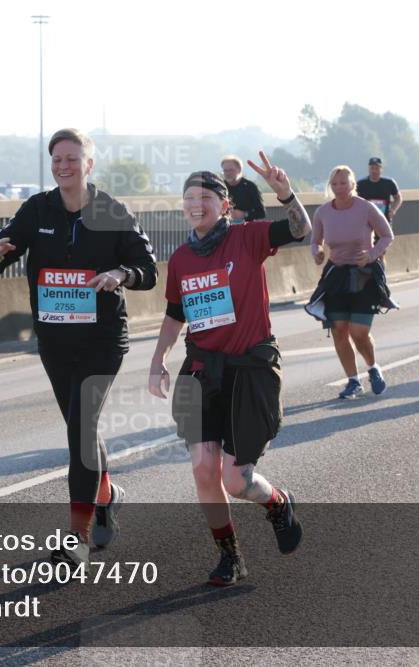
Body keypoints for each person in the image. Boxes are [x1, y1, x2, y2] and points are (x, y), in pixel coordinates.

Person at [0, 129, 158, 570]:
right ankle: (108, 495)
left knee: (79, 430)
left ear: (89, 164)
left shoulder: (112, 212)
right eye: (56, 158)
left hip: (102, 339)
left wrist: (121, 274)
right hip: (55, 340)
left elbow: (148, 269)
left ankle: (76, 538)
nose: (63, 166)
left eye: (72, 159)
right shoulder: (37, 208)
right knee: (81, 428)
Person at [148, 155, 309, 586]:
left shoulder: (248, 238)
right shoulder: (181, 257)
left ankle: (276, 503)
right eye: (188, 198)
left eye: (204, 197)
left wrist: (285, 194)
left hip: (249, 369)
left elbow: (300, 230)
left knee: (236, 480)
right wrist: (158, 358)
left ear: (224, 203)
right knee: (203, 468)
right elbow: (175, 312)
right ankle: (230, 556)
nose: (195, 204)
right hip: (203, 370)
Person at [310, 165, 394, 399]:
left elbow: (387, 236)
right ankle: (353, 381)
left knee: (358, 331)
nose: (339, 188)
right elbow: (315, 240)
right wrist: (316, 252)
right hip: (336, 275)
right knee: (339, 331)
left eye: (343, 183)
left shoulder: (366, 208)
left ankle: (373, 367)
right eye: (334, 184)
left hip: (363, 274)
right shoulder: (323, 212)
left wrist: (372, 254)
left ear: (352, 184)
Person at [356, 157, 402, 224]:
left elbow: (398, 198)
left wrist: (393, 209)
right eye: (372, 168)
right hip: (366, 221)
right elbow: (354, 200)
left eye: (377, 168)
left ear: (381, 169)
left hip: (384, 221)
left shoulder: (389, 183)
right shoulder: (361, 184)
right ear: (368, 169)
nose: (374, 171)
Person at [221, 155, 266, 222]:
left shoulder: (250, 187)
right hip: (224, 228)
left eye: (231, 170)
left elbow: (261, 213)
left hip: (246, 228)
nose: (228, 173)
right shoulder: (220, 187)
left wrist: (244, 214)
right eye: (225, 171)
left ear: (239, 170)